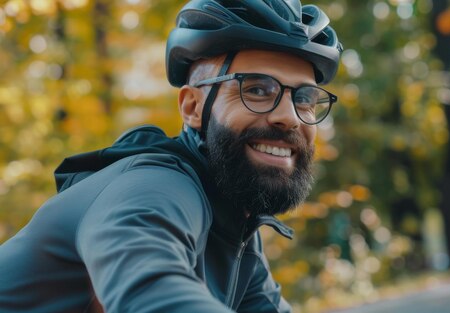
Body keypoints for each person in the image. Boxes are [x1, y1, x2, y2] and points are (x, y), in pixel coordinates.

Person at [0, 0, 342, 312]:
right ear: (192, 107)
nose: (291, 116)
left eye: (305, 98)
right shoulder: (154, 187)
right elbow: (151, 289)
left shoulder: (233, 226)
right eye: (256, 89)